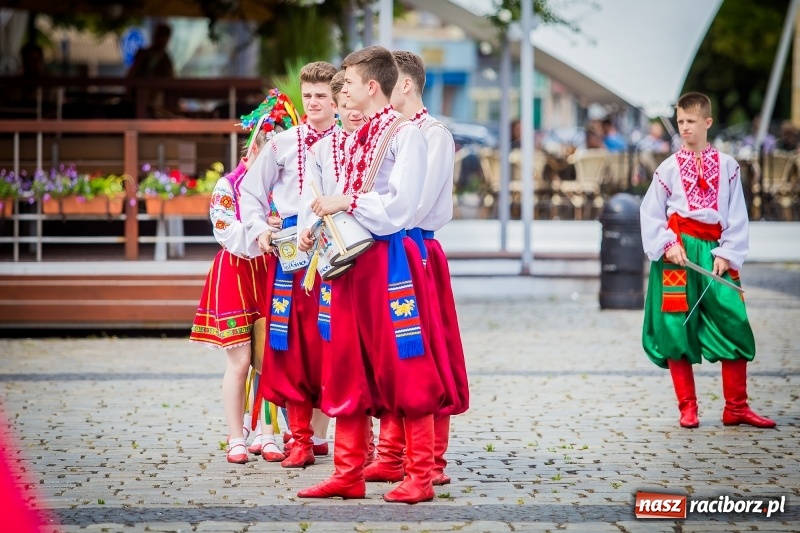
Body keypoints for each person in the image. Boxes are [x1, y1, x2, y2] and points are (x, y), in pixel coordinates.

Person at [296, 45, 448, 505]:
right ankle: (348, 471)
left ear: (371, 86)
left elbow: (403, 207)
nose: (341, 89)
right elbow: (329, 194)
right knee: (346, 361)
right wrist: (316, 225)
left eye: (347, 81)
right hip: (347, 263)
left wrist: (347, 202)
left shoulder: (407, 135)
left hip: (388, 260)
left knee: (404, 362)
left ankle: (420, 475)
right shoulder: (347, 137)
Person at [359, 50, 467, 488]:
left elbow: (416, 203)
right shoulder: (391, 130)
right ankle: (391, 452)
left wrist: (372, 216)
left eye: (389, 81)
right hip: (390, 244)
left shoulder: (432, 134)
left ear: (405, 84)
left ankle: (431, 460)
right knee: (393, 350)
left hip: (416, 245)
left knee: (425, 350)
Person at [640, 92, 776, 430]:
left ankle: (737, 408)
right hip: (678, 254)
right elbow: (650, 212)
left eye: (691, 121)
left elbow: (737, 213)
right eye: (680, 121)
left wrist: (728, 252)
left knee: (733, 318)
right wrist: (668, 244)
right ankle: (687, 408)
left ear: (707, 122)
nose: (684, 127)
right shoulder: (668, 168)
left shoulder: (728, 166)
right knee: (676, 325)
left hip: (716, 250)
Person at [189, 88, 300, 464]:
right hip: (236, 273)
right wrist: (262, 232)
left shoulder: (279, 190)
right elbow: (226, 231)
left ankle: (268, 434)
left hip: (271, 271)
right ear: (252, 149)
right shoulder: (228, 187)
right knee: (238, 361)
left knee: (269, 358)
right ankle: (236, 436)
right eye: (263, 151)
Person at [239, 61, 339, 469]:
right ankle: (297, 438)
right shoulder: (283, 143)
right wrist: (260, 229)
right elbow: (250, 191)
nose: (313, 103)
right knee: (292, 343)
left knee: (332, 340)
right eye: (308, 95)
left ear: (337, 99)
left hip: (337, 251)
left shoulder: (350, 141)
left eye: (322, 96)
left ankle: (322, 435)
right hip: (291, 256)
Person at [283, 70, 367, 459]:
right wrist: (304, 229)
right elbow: (308, 199)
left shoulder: (374, 143)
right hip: (323, 256)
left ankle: (366, 445)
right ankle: (304, 438)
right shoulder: (318, 149)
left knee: (358, 349)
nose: (350, 110)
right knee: (310, 345)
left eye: (353, 102)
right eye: (344, 103)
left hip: (365, 251)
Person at [126, 23, 175, 116]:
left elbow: (171, 79)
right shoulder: (143, 54)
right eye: (160, 37)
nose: (163, 41)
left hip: (156, 99)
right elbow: (132, 73)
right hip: (139, 96)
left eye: (165, 38)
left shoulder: (166, 60)